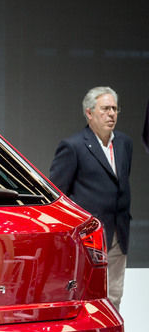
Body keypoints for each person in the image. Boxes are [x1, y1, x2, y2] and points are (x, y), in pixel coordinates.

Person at [49, 86, 133, 311]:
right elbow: (58, 192)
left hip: (118, 233)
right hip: (89, 237)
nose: (111, 114)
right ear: (89, 113)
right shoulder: (73, 146)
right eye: (105, 109)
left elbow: (120, 183)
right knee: (88, 296)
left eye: (114, 109)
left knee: (114, 294)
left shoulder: (124, 143)